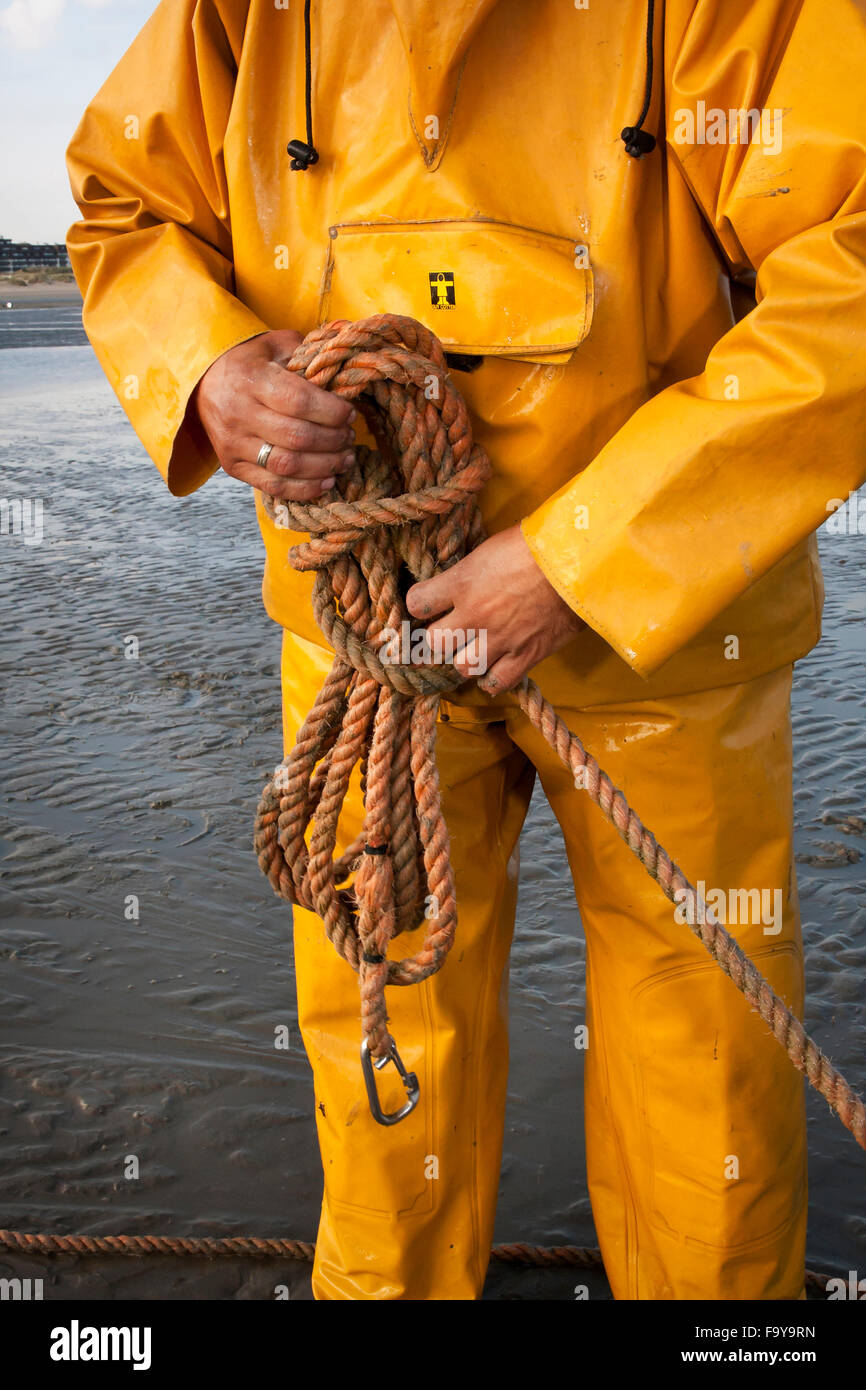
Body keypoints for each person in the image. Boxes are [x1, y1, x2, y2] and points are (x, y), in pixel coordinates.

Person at [66, 0, 866, 1300]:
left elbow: (848, 268)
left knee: (702, 1044)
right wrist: (208, 368)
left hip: (666, 628)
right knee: (384, 1014)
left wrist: (581, 559)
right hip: (369, 632)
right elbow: (125, 203)